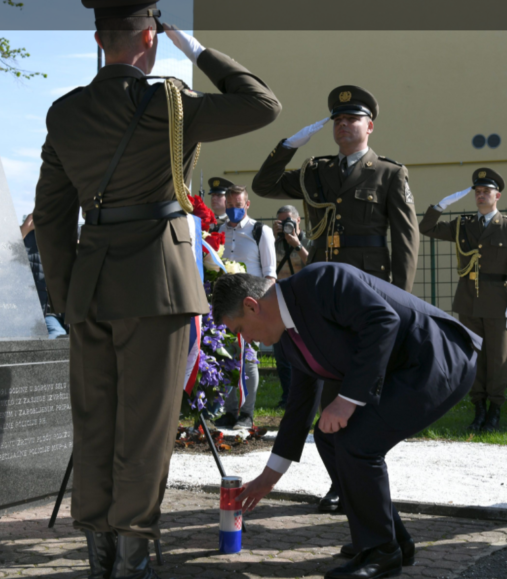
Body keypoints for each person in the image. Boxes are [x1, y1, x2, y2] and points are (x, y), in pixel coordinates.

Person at [33, 1, 281, 577]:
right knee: (145, 426)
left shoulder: (65, 112)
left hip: (90, 288)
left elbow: (50, 216)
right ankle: (132, 551)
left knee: (95, 421)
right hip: (158, 287)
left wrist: (71, 298)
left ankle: (98, 549)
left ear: (100, 39)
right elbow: (262, 104)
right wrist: (193, 48)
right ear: (151, 40)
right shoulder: (171, 102)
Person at [211, 264, 481, 579]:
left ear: (251, 306)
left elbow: (383, 320)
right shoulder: (286, 337)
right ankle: (391, 540)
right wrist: (269, 478)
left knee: (357, 441)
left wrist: (346, 401)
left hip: (438, 357)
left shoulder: (321, 281)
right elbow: (300, 405)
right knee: (328, 437)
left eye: (239, 330)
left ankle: (380, 553)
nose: (245, 340)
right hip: (403, 369)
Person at [252, 85, 420, 512]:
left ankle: (358, 475)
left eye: (353, 119)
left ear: (369, 126)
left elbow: (405, 241)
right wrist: (288, 145)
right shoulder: (315, 171)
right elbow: (264, 184)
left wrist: (399, 300)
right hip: (322, 294)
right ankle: (340, 480)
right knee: (329, 385)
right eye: (338, 120)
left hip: (368, 291)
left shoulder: (388, 172)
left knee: (361, 385)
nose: (344, 125)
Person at [419, 168, 507, 432]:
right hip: (468, 301)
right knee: (474, 357)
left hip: (498, 304)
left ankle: (495, 410)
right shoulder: (463, 225)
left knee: (497, 359)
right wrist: (439, 206)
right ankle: (478, 408)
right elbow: (427, 228)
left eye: (486, 192)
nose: (481, 196)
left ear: (498, 196)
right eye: (478, 192)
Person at [213, 184, 277, 430]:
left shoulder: (261, 231)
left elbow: (270, 275)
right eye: (229, 205)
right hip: (224, 305)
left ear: (247, 205)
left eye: (238, 206)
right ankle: (229, 412)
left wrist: (264, 308)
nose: (233, 210)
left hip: (251, 306)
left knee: (248, 359)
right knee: (225, 358)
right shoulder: (218, 230)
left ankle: (246, 414)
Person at [272, 205, 310, 408]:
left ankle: (303, 395)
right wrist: (271, 236)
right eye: (281, 222)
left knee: (305, 351)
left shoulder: (308, 242)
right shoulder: (273, 243)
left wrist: (296, 244)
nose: (286, 225)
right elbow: (265, 264)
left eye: (289, 221)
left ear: (298, 221)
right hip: (279, 302)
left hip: (303, 304)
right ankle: (287, 397)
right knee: (282, 354)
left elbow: (313, 263)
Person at [20, 213, 68, 339]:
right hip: (30, 314)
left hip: (58, 315)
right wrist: (25, 229)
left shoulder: (67, 237)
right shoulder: (26, 234)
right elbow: (2, 253)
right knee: (57, 339)